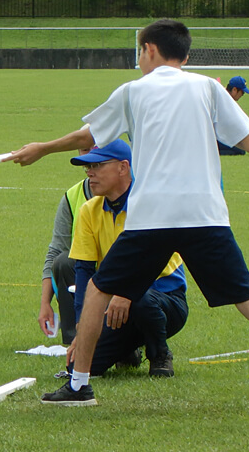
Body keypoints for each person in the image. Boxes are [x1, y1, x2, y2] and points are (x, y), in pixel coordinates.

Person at [7, 18, 249, 410]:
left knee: (99, 289)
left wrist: (40, 148)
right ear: (184, 54)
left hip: (150, 217)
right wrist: (231, 113)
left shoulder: (134, 91)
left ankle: (80, 386)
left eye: (138, 52)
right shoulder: (207, 87)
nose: (139, 60)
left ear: (149, 49)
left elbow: (88, 137)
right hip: (205, 216)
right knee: (247, 299)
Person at [67, 140, 188, 381]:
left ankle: (159, 354)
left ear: (124, 167)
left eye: (98, 165)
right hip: (113, 302)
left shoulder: (151, 204)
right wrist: (82, 328)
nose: (90, 173)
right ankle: (128, 350)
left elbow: (155, 262)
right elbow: (83, 271)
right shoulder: (89, 210)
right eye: (87, 168)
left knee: (141, 301)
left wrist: (126, 293)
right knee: (80, 366)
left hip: (163, 298)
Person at [39, 155, 93, 345]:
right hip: (87, 271)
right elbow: (55, 250)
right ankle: (75, 342)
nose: (89, 165)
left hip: (119, 276)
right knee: (64, 261)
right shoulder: (72, 196)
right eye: (84, 150)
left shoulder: (132, 194)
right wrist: (45, 303)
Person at [218, 76, 249, 156]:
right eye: (242, 92)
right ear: (234, 90)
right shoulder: (224, 101)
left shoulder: (223, 96)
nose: (242, 95)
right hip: (211, 136)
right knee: (240, 150)